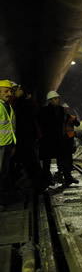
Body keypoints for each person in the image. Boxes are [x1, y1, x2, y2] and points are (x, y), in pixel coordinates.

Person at [11, 84, 46, 194]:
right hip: (21, 138)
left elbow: (34, 112)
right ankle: (15, 186)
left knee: (30, 163)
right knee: (27, 164)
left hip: (24, 138)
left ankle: (38, 185)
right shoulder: (17, 102)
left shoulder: (23, 103)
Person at [39, 90, 77, 185]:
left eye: (58, 98)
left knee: (63, 159)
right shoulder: (43, 111)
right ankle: (47, 180)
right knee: (47, 162)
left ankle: (68, 177)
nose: (58, 100)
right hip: (48, 140)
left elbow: (69, 119)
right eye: (55, 98)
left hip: (59, 140)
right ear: (50, 100)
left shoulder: (61, 110)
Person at [0, 80, 16, 211]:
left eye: (10, 91)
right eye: (6, 91)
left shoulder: (8, 107)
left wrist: (12, 145)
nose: (9, 93)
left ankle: (2, 198)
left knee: (3, 174)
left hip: (6, 145)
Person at [61, 103, 80, 184]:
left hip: (68, 140)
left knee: (68, 158)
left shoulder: (71, 117)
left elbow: (77, 124)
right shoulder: (58, 117)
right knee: (63, 158)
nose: (66, 110)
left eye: (67, 109)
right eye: (64, 109)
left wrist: (73, 120)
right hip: (61, 140)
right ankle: (65, 174)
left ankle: (68, 175)